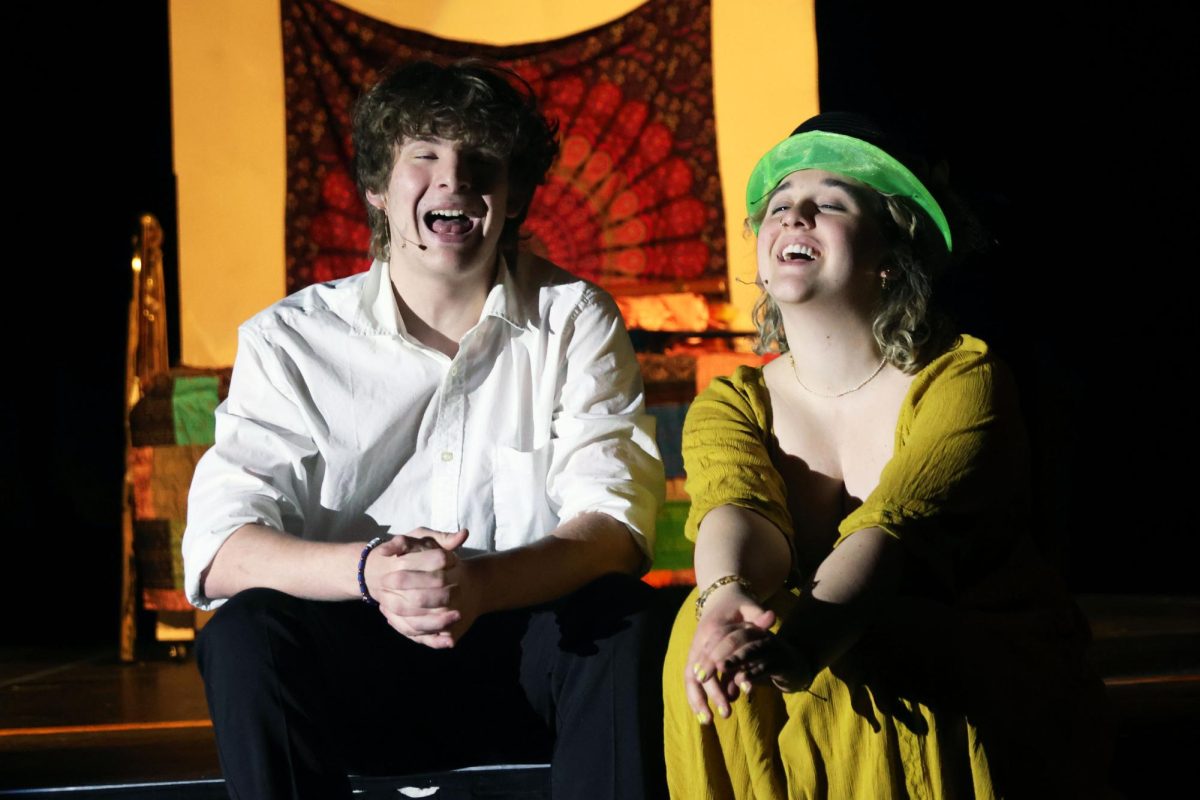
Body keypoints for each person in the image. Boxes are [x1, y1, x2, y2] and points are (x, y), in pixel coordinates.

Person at [183, 60, 665, 799]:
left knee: (624, 617)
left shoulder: (576, 317)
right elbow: (218, 549)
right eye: (426, 155)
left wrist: (478, 583)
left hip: (522, 664)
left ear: (513, 194)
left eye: (481, 160)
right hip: (356, 674)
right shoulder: (289, 339)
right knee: (246, 633)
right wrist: (372, 572)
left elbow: (616, 528)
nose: (454, 178)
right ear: (379, 188)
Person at [662, 113, 1112, 798]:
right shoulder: (732, 400)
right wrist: (727, 601)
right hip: (812, 659)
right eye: (780, 205)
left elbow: (892, 534)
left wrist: (801, 648)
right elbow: (739, 510)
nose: (795, 215)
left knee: (887, 641)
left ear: (889, 254)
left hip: (968, 657)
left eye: (830, 203)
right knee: (691, 633)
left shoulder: (963, 377)